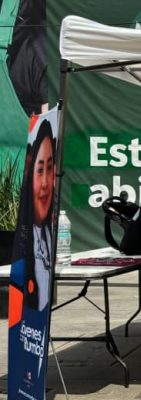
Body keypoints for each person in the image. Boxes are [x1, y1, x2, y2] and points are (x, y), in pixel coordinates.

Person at [12, 119, 56, 312]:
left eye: (50, 168)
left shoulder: (49, 238)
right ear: (30, 174)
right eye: (39, 170)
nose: (46, 183)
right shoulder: (23, 247)